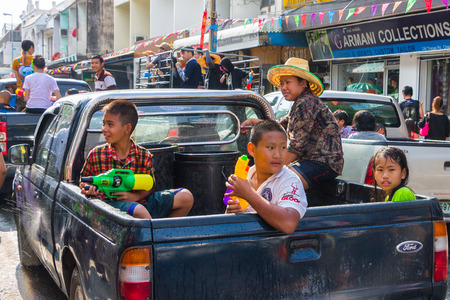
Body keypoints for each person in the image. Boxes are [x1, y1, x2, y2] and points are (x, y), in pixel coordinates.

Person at [80, 99, 194, 219]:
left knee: (186, 197)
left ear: (127, 128)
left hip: (142, 202)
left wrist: (135, 197)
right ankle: (153, 236)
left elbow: (149, 186)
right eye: (103, 124)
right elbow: (83, 182)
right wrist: (89, 189)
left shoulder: (144, 155)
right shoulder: (96, 154)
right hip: (111, 207)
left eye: (110, 124)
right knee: (139, 211)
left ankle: (167, 234)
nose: (104, 129)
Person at [242, 57, 343, 191]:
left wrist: (270, 169)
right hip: (308, 162)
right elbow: (279, 125)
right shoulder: (300, 102)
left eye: (288, 82)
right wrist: (254, 122)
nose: (283, 87)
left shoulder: (306, 102)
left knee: (277, 181)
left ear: (303, 83)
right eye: (282, 83)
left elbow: (296, 147)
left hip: (323, 163)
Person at [225, 120, 307, 234]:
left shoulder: (289, 180)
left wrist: (249, 194)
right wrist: (231, 213)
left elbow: (289, 224)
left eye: (283, 148)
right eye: (270, 147)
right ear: (252, 149)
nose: (277, 155)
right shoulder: (246, 176)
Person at [12, 40, 35, 111]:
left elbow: (17, 79)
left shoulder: (16, 61)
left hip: (20, 92)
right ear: (31, 47)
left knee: (19, 115)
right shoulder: (36, 60)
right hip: (33, 92)